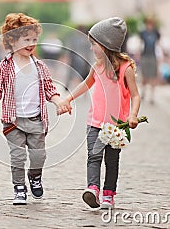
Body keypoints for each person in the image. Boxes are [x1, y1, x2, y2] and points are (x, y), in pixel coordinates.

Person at [0, 13, 65, 205]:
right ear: (12, 40)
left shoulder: (40, 66)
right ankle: (19, 188)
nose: (31, 43)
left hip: (36, 120)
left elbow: (50, 89)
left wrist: (58, 101)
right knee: (17, 157)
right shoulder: (5, 66)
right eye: (26, 39)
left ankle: (35, 176)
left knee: (39, 156)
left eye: (34, 39)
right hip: (13, 122)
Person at [60, 17, 140, 209]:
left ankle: (108, 194)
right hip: (95, 122)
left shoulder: (125, 69)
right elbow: (86, 84)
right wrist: (68, 99)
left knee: (111, 161)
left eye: (93, 44)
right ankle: (93, 189)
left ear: (105, 45)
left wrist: (133, 115)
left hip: (116, 125)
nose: (90, 48)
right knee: (93, 157)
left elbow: (136, 95)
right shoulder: (97, 66)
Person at [139, 17, 160, 104]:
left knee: (153, 76)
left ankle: (152, 96)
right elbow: (140, 43)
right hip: (145, 55)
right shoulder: (143, 33)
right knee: (144, 75)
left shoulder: (155, 33)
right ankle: (143, 92)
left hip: (152, 56)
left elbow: (158, 41)